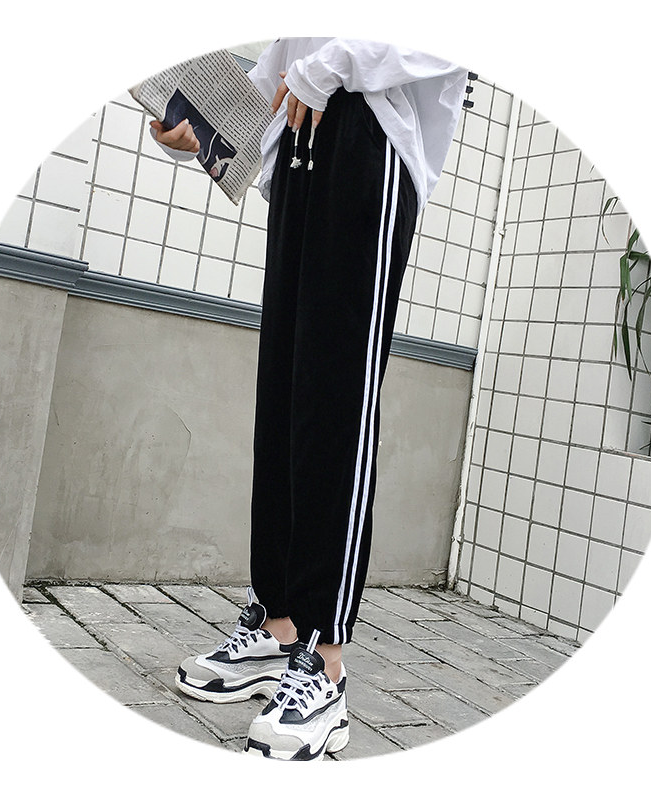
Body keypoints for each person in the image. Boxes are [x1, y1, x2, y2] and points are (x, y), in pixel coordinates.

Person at [151, 37, 468, 760]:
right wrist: (199, 126)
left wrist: (326, 69)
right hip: (298, 138)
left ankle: (325, 662)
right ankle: (279, 626)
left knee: (335, 404)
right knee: (284, 400)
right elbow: (278, 66)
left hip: (368, 138)